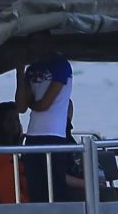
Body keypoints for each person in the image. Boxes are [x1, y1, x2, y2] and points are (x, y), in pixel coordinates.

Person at [15, 36, 79, 202]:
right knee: (35, 189)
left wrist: (31, 103)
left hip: (54, 135)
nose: (33, 46)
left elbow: (45, 104)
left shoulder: (61, 65)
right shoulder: (32, 69)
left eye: (36, 41)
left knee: (55, 189)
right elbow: (21, 106)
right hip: (32, 136)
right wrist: (19, 72)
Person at [0, 102, 26, 204]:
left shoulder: (20, 143)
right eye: (10, 120)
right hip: (3, 193)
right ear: (1, 123)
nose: (15, 123)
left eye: (17, 119)